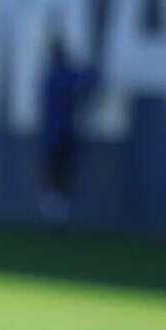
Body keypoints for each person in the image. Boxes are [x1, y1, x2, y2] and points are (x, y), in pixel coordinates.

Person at [38, 44, 99, 225]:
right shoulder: (63, 74)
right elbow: (91, 81)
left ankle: (55, 209)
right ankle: (57, 210)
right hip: (63, 132)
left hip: (54, 133)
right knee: (60, 173)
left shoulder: (50, 75)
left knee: (56, 173)